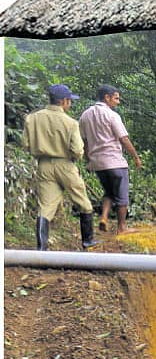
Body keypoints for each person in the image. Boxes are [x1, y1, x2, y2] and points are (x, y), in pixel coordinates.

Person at [22, 84, 101, 250]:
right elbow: (78, 151)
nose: (70, 104)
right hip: (65, 165)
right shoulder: (70, 123)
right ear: (64, 101)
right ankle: (87, 241)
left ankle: (42, 248)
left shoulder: (32, 118)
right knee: (83, 203)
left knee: (46, 207)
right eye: (69, 101)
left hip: (43, 165)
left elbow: (26, 145)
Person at [79, 84, 143, 234]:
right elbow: (124, 139)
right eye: (116, 98)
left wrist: (88, 159)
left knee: (108, 192)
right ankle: (122, 227)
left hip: (97, 163)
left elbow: (85, 141)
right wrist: (135, 157)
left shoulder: (85, 115)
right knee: (122, 195)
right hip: (114, 161)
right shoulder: (112, 115)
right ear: (107, 98)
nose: (118, 102)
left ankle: (104, 218)